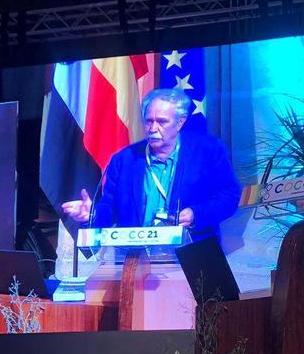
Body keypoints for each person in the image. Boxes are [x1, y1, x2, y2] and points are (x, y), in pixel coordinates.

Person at [61, 88, 240, 240]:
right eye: (149, 121)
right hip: (135, 259)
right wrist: (91, 214)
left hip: (191, 250)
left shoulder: (208, 151)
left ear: (180, 122)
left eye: (162, 121)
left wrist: (196, 214)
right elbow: (109, 208)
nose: (153, 128)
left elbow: (229, 196)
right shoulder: (124, 160)